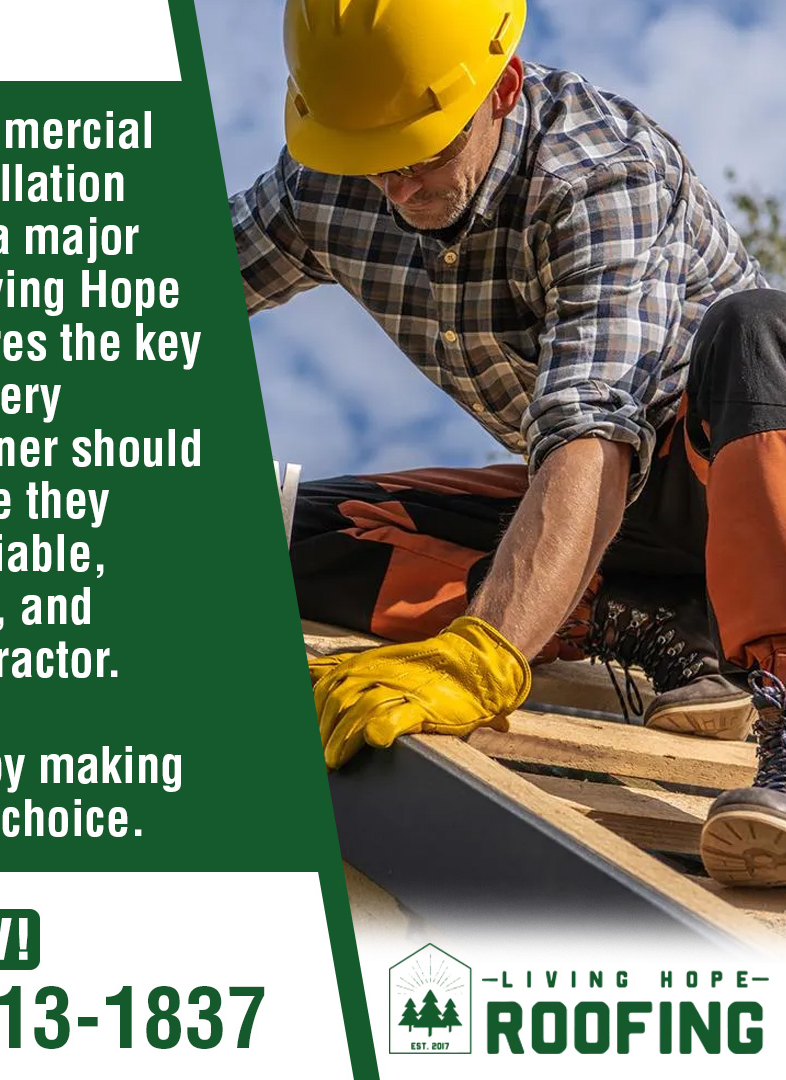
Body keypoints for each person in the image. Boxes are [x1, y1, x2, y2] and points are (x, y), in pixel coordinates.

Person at [230, 0, 786, 887]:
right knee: (268, 530)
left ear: (502, 88)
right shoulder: (329, 181)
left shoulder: (599, 175)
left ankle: (782, 703)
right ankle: (651, 620)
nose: (397, 187)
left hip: (728, 478)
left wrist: (485, 655)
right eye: (371, 159)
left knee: (760, 329)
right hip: (604, 518)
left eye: (424, 152)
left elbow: (592, 429)